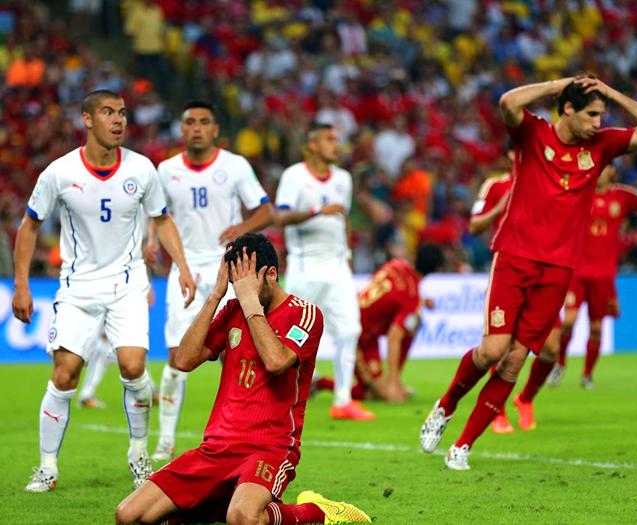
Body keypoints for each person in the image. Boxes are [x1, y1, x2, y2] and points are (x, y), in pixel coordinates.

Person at [419, 75, 637, 470]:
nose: (597, 123)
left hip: (559, 268)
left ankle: (462, 446)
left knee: (515, 360)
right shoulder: (533, 134)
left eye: (601, 115)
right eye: (591, 114)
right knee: (493, 351)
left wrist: (611, 93)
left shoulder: (601, 146)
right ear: (567, 108)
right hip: (515, 256)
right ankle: (445, 406)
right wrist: (560, 83)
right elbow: (507, 102)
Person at [114, 234, 371, 525]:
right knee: (128, 516)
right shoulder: (231, 309)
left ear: (271, 274)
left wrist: (250, 303)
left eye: (246, 283)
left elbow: (276, 361)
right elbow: (183, 361)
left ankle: (318, 512)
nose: (240, 291)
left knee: (244, 518)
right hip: (216, 448)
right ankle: (225, 503)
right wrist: (215, 295)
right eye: (235, 283)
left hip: (270, 447)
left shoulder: (305, 314)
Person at [12, 90, 197, 492]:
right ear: (87, 119)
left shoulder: (141, 168)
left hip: (127, 285)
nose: (118, 120)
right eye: (108, 112)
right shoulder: (60, 172)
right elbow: (29, 226)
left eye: (123, 113)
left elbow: (162, 219)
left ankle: (139, 454)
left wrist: (182, 266)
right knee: (65, 373)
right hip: (78, 287)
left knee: (132, 366)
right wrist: (21, 284)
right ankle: (47, 467)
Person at [146, 100, 273, 462]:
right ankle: (165, 441)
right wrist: (150, 243)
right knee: (177, 355)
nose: (197, 128)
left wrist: (242, 227)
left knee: (239, 353)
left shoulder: (235, 165)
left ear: (215, 129)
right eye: (190, 122)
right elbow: (155, 214)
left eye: (204, 121)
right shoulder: (166, 170)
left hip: (230, 270)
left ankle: (245, 430)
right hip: (184, 269)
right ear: (182, 129)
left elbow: (266, 210)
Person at [275, 123, 374, 421]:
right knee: (293, 336)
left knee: (350, 330)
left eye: (337, 139)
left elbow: (343, 219)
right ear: (313, 145)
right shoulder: (294, 176)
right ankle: (281, 398)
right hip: (305, 267)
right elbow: (281, 216)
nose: (336, 145)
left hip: (338, 266)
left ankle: (343, 400)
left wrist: (347, 253)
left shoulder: (343, 178)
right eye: (330, 139)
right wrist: (318, 211)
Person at [549, 159, 637, 389]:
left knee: (596, 328)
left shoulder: (622, 196)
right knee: (568, 322)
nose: (598, 170)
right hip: (576, 271)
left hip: (604, 274)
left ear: (612, 170)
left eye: (603, 166)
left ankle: (587, 375)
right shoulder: (578, 192)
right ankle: (560, 364)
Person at [468, 149, 563, 434]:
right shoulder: (495, 186)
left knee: (551, 348)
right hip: (510, 273)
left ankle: (525, 399)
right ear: (511, 154)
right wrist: (501, 208)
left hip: (543, 274)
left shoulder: (551, 182)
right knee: (503, 348)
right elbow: (474, 226)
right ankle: (495, 411)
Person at [314, 243, 444, 403]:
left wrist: (421, 301)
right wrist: (393, 386)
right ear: (437, 270)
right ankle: (319, 383)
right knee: (380, 395)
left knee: (414, 321)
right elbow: (394, 338)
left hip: (357, 322)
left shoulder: (396, 264)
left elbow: (392, 294)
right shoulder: (412, 298)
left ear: (414, 257)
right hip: (356, 335)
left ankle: (387, 383)